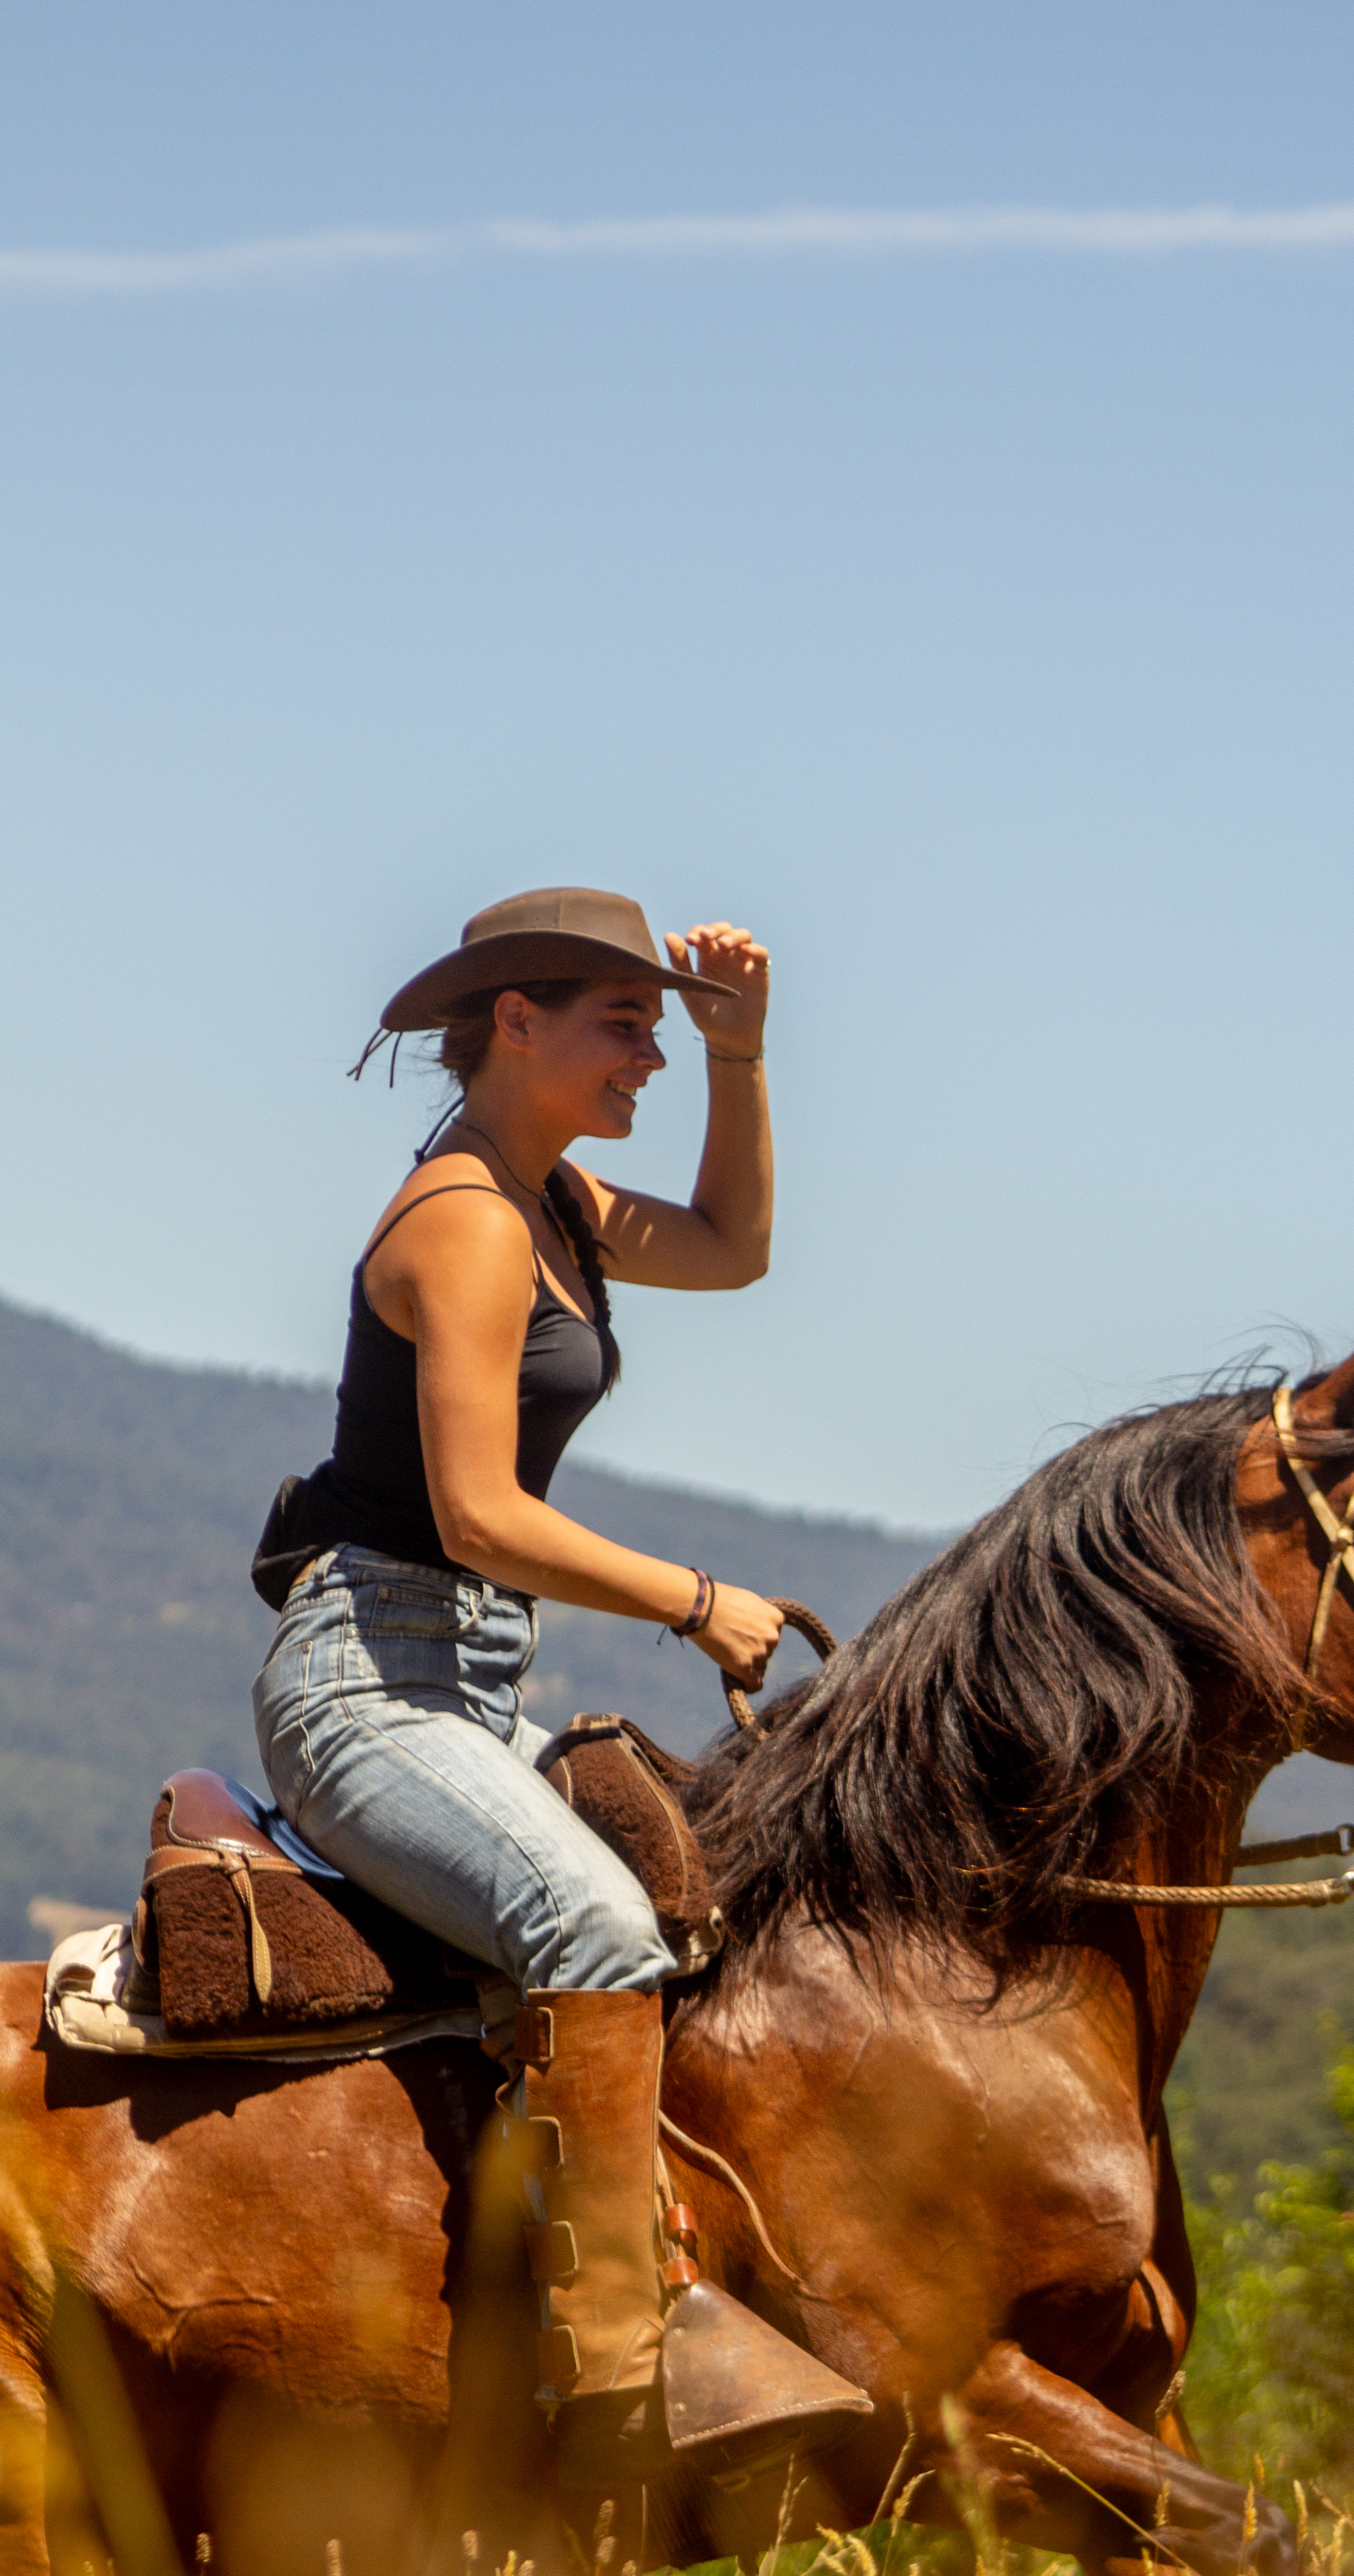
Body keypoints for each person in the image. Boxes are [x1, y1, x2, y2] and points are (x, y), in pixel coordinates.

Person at [250, 886, 867, 2488]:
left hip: (467, 1683)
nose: (649, 1055)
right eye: (628, 1023)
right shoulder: (461, 1216)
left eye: (661, 1027)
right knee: (591, 1925)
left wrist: (743, 1061)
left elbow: (734, 1251)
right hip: (367, 1688)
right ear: (513, 1020)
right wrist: (697, 1600)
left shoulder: (564, 1203)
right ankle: (620, 2370)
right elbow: (478, 1516)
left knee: (693, 1894)